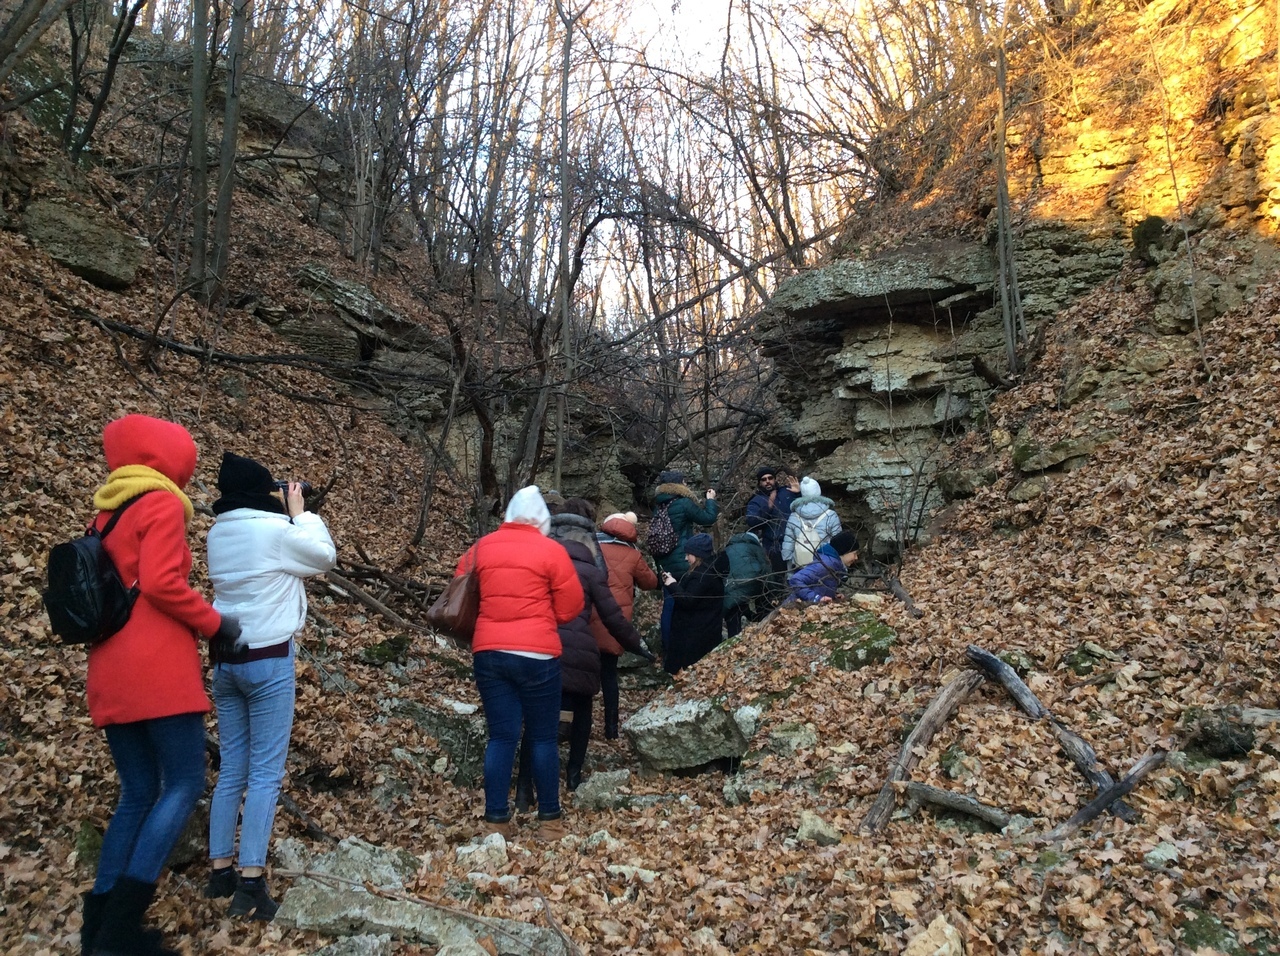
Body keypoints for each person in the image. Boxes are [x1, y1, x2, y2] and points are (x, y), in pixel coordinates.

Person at [80, 414, 241, 956]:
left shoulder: (105, 512)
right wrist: (218, 624)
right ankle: (122, 929)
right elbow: (162, 583)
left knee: (137, 793)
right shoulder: (162, 503)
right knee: (181, 784)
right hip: (156, 671)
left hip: (107, 668)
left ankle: (98, 926)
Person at [204, 453, 337, 920]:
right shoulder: (277, 532)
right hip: (268, 662)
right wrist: (301, 514)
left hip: (226, 663)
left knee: (233, 769)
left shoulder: (217, 533)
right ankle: (251, 881)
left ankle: (219, 869)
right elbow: (324, 557)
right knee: (264, 773)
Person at [460, 487, 583, 840]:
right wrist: (545, 618)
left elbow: (461, 585)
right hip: (538, 655)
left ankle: (496, 821)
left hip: (489, 651)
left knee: (501, 736)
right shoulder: (552, 551)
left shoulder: (482, 546)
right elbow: (571, 605)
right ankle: (550, 823)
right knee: (543, 738)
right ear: (541, 517)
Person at [520, 517, 653, 799]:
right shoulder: (593, 572)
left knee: (538, 716)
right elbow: (613, 617)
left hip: (546, 647)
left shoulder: (545, 567)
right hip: (582, 650)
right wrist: (639, 645)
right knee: (582, 712)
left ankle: (524, 788)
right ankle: (573, 775)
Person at [591, 512, 659, 738]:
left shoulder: (590, 546)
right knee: (609, 676)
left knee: (581, 673)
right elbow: (650, 582)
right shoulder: (633, 554)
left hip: (587, 619)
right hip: (615, 624)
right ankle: (611, 729)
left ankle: (575, 725)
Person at [651, 470, 719, 652]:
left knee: (669, 603)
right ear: (679, 485)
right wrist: (711, 500)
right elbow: (708, 519)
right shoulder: (683, 503)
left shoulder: (659, 505)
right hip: (683, 560)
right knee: (685, 602)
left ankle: (668, 646)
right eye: (684, 482)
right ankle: (684, 648)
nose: (687, 485)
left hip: (664, 562)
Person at [662, 533, 727, 675]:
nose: (686, 558)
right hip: (701, 631)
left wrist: (672, 585)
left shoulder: (704, 575)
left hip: (696, 636)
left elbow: (688, 600)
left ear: (698, 555)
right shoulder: (707, 571)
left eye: (688, 555)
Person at [745, 465, 800, 604]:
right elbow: (751, 521)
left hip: (797, 542)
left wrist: (798, 494)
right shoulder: (756, 501)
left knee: (800, 577)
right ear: (759, 483)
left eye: (770, 478)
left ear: (775, 479)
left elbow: (805, 508)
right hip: (774, 547)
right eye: (764, 480)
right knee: (780, 582)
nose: (767, 481)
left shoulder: (787, 492)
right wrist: (769, 505)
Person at [781, 476, 843, 570]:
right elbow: (838, 543)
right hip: (825, 565)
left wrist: (790, 571)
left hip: (800, 566)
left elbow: (788, 544)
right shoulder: (831, 515)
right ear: (818, 491)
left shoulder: (794, 516)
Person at [787, 531, 860, 604]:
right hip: (795, 608)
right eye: (854, 553)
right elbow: (796, 580)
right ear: (844, 551)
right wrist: (815, 598)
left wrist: (833, 596)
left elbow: (819, 586)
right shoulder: (825, 565)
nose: (856, 557)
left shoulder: (834, 565)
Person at [721, 531, 771, 638]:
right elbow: (767, 572)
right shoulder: (755, 548)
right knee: (762, 593)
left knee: (733, 608)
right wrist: (773, 593)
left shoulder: (728, 549)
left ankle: (733, 637)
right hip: (752, 582)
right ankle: (764, 628)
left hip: (731, 587)